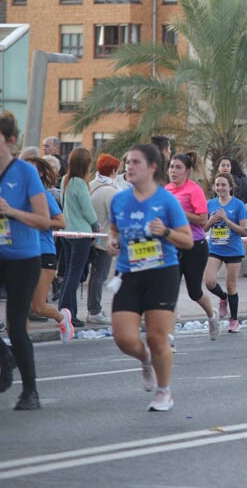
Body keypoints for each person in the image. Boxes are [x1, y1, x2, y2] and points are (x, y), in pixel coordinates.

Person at [108, 143, 193, 412]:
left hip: (161, 272)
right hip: (129, 272)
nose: (129, 167)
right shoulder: (119, 200)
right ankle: (145, 359)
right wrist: (113, 241)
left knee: (157, 337)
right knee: (123, 338)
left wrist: (165, 232)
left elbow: (188, 241)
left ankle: (163, 391)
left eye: (135, 162)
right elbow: (114, 230)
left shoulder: (166, 200)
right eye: (127, 162)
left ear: (152, 167)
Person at [0, 114, 52, 410]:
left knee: (17, 325)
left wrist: (11, 211)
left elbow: (44, 220)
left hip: (24, 258)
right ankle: (5, 355)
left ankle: (31, 392)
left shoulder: (25, 173)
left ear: (10, 142)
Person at [165, 153, 220, 341]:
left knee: (194, 291)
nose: (173, 171)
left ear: (187, 171)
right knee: (169, 290)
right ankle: (169, 337)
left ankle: (212, 316)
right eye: (171, 166)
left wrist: (181, 212)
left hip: (195, 245)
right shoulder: (166, 190)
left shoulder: (193, 190)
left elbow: (203, 219)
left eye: (178, 167)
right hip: (173, 246)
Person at [26, 157, 74, 341]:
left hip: (44, 252)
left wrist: (38, 222)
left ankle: (62, 317)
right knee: (20, 306)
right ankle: (22, 342)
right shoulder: (17, 196)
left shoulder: (43, 196)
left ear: (40, 173)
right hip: (23, 253)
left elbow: (61, 222)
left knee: (38, 307)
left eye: (30, 169)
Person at [58, 147, 99, 328]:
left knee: (68, 273)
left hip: (66, 231)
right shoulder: (80, 183)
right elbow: (87, 210)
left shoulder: (65, 181)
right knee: (76, 273)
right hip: (81, 232)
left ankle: (66, 311)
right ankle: (67, 311)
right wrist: (96, 225)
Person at [204, 173, 247, 332]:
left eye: (223, 185)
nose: (220, 188)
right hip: (215, 248)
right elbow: (202, 228)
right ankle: (223, 298)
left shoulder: (238, 205)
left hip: (233, 249)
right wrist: (211, 221)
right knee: (209, 281)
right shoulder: (210, 204)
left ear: (230, 186)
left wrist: (227, 220)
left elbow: (245, 231)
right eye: (217, 185)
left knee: (232, 286)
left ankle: (234, 320)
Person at [87, 154, 121, 324]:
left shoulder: (91, 185)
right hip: (104, 239)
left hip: (90, 237)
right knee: (99, 275)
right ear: (114, 170)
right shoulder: (111, 191)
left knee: (94, 275)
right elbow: (116, 217)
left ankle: (92, 309)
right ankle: (95, 311)